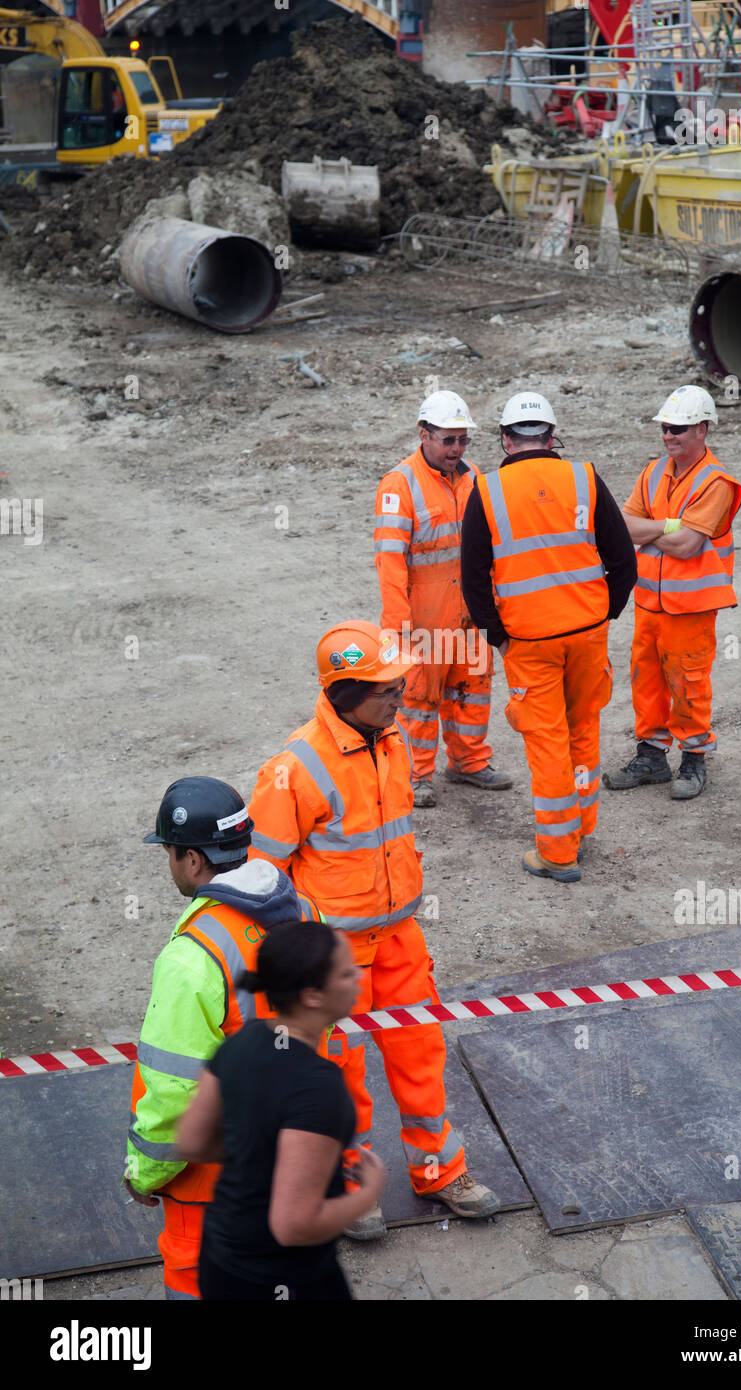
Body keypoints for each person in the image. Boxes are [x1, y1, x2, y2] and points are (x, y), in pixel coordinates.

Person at [247, 620, 501, 1238]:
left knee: (421, 1056)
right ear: (344, 693)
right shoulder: (294, 769)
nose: (402, 695)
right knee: (340, 1072)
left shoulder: (389, 740)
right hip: (333, 955)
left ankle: (441, 1173)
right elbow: (261, 878)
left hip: (400, 939)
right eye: (387, 688)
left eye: (400, 683)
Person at [126, 776, 323, 1300]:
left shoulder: (193, 958)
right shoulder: (306, 913)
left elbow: (174, 1091)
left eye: (169, 851)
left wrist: (145, 1173)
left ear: (192, 859)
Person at [460, 392, 636, 883]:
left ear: (505, 438)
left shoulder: (488, 490)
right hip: (587, 634)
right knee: (582, 728)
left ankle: (558, 853)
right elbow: (623, 560)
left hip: (529, 642)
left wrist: (498, 638)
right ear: (552, 436)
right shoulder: (583, 478)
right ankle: (579, 829)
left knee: (547, 743)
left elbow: (473, 579)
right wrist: (607, 615)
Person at [176, 922, 387, 1301]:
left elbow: (191, 1141)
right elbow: (293, 1226)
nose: (357, 976)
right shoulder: (319, 1089)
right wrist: (366, 1193)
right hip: (283, 1279)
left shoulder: (243, 1042)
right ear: (312, 995)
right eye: (344, 971)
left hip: (219, 1262)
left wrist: (262, 1151)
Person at [603, 385, 741, 801]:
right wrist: (669, 526)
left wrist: (654, 531)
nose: (670, 436)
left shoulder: (716, 482)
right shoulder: (652, 472)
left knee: (688, 681)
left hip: (692, 605)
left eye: (680, 429)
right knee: (646, 680)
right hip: (650, 602)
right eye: (666, 428)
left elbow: (688, 547)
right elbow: (623, 527)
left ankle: (694, 756)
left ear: (703, 430)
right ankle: (651, 755)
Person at [374, 389, 512, 807]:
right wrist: (398, 625)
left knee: (472, 689)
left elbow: (492, 547)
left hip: (470, 611)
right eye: (448, 440)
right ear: (424, 434)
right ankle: (415, 775)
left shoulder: (475, 478)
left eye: (463, 440)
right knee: (417, 699)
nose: (456, 449)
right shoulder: (400, 484)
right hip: (424, 616)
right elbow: (390, 560)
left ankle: (469, 761)